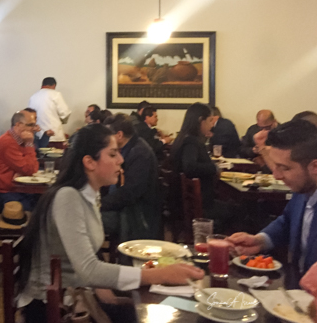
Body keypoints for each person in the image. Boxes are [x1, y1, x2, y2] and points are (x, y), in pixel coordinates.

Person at [17, 125, 204, 322]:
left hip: (76, 294)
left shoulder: (89, 195)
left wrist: (104, 287)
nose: (121, 160)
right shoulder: (68, 198)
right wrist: (160, 275)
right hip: (53, 308)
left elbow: (89, 258)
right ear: (89, 162)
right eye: (113, 154)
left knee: (154, 306)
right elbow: (89, 270)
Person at [227, 119, 317, 273]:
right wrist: (260, 240)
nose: (276, 175)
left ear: (315, 166)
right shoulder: (302, 190)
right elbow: (287, 221)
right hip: (296, 282)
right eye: (275, 166)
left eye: (285, 168)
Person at [171, 102, 235, 232]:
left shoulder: (181, 138)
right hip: (201, 205)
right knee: (239, 210)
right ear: (201, 120)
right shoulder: (191, 141)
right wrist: (214, 168)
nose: (212, 125)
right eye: (210, 120)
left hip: (183, 203)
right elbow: (189, 167)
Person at [101, 114, 161, 241]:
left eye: (108, 135)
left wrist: (99, 204)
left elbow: (129, 193)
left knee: (86, 219)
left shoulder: (140, 153)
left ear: (119, 135)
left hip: (135, 216)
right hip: (125, 208)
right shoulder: (129, 148)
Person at [0, 111, 39, 212]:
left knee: (45, 200)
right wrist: (29, 144)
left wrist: (24, 171)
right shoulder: (8, 142)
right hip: (5, 193)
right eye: (31, 125)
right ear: (18, 125)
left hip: (17, 188)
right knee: (39, 209)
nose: (34, 129)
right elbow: (29, 169)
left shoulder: (19, 140)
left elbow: (33, 168)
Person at [27, 77, 71, 143]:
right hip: (53, 135)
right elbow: (65, 113)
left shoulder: (33, 97)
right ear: (54, 85)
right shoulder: (56, 94)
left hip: (37, 135)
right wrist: (62, 121)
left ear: (42, 85)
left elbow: (29, 115)